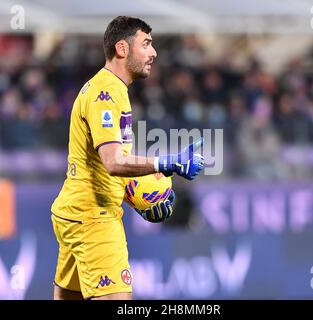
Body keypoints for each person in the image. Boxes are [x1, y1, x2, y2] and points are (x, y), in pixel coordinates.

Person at [50, 16, 205, 300]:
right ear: (122, 48)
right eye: (146, 44)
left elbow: (108, 161)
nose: (154, 52)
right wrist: (165, 163)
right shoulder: (106, 93)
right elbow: (112, 161)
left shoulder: (111, 88)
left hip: (76, 209)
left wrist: (137, 191)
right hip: (94, 217)